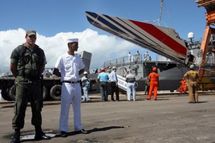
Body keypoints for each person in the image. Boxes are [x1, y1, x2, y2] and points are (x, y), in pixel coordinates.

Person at [10, 30, 50, 143]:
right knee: (19, 108)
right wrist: (19, 78)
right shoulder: (18, 50)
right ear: (26, 37)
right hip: (22, 82)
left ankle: (38, 132)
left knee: (37, 108)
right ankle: (16, 133)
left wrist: (37, 76)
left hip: (36, 83)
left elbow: (42, 66)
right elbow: (12, 67)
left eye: (34, 37)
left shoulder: (40, 51)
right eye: (30, 37)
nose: (32, 39)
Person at [53, 38, 87, 137]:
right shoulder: (62, 57)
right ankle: (63, 130)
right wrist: (64, 77)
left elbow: (82, 69)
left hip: (77, 84)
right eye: (75, 44)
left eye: (77, 44)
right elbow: (55, 70)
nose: (77, 46)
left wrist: (76, 75)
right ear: (69, 45)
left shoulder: (78, 57)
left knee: (77, 108)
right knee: (65, 108)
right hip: (67, 85)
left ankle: (78, 127)